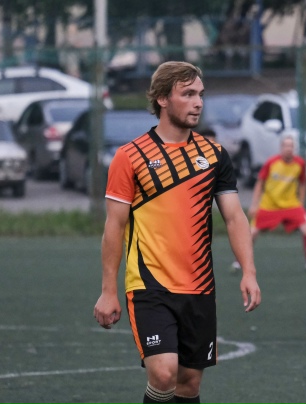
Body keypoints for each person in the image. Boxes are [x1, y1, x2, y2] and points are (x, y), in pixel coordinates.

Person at [93, 61, 261, 404]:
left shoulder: (214, 155)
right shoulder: (130, 156)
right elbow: (114, 226)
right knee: (164, 372)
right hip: (149, 285)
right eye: (188, 94)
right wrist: (108, 291)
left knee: (188, 383)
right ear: (162, 98)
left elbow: (234, 217)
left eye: (200, 94)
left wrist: (249, 271)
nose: (198, 102)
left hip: (199, 286)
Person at [232, 134, 306, 275]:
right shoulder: (271, 163)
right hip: (269, 205)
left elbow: (303, 183)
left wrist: (301, 203)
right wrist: (254, 204)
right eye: (286, 145)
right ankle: (238, 262)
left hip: (291, 205)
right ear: (281, 147)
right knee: (252, 232)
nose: (288, 148)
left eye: (291, 146)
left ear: (294, 148)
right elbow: (260, 183)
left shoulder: (300, 163)